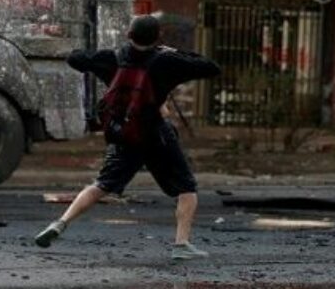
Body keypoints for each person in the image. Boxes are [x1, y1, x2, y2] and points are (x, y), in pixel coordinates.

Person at [34, 14, 220, 260]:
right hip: (157, 135)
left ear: (129, 35)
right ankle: (181, 244)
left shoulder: (113, 58)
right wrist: (172, 51)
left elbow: (75, 58)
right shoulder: (166, 61)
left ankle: (61, 223)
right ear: (158, 38)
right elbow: (210, 67)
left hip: (124, 135)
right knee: (186, 188)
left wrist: (105, 53)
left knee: (101, 185)